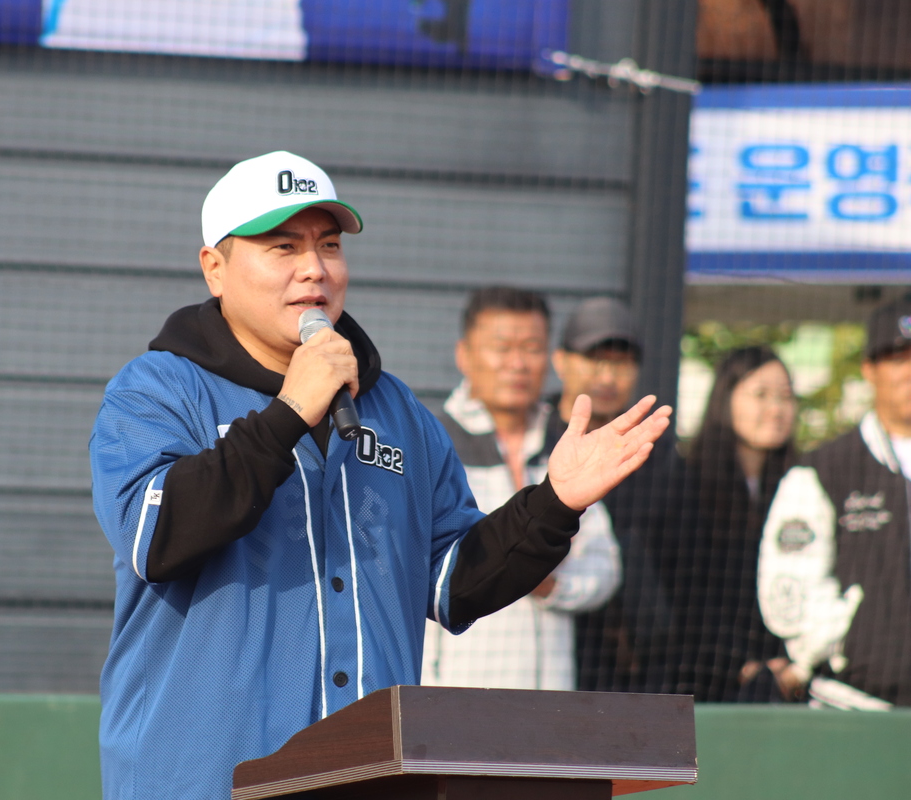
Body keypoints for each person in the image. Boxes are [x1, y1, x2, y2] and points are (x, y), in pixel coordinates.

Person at [89, 150, 671, 800]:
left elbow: (456, 582)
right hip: (198, 781)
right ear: (215, 269)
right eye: (283, 246)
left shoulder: (398, 413)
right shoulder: (155, 391)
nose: (314, 268)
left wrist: (554, 503)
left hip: (370, 779)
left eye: (329, 245)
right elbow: (156, 537)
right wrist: (290, 413)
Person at [420, 287, 621, 690]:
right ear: (464, 355)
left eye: (532, 348)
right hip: (452, 694)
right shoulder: (430, 441)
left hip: (552, 695)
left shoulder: (566, 442)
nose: (517, 364)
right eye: (501, 348)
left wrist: (553, 587)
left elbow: (606, 566)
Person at [758, 298, 911, 709]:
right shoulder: (823, 470)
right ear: (869, 370)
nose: (909, 372)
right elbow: (790, 592)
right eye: (897, 359)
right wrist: (838, 642)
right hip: (851, 706)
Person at [547, 297, 673, 693]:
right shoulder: (534, 441)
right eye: (594, 359)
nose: (607, 376)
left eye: (621, 363)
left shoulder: (659, 455)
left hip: (639, 669)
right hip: (552, 650)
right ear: (561, 361)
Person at [669, 346, 796, 702]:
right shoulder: (686, 482)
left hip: (786, 681)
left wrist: (789, 662)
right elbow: (683, 592)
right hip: (703, 681)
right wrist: (738, 662)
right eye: (761, 395)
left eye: (786, 396)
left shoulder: (802, 484)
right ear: (726, 399)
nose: (776, 409)